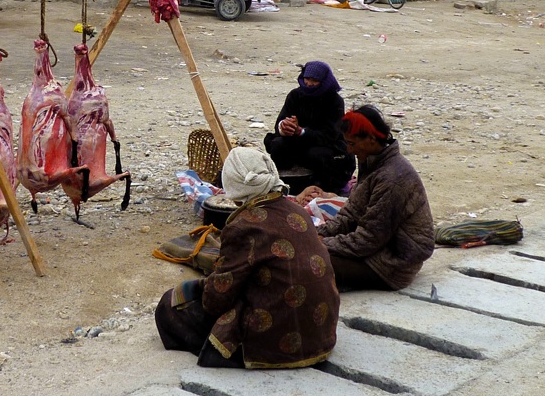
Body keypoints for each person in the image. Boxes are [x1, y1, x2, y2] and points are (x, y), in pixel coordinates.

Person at [154, 147, 340, 369]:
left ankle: (237, 352)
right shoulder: (297, 211)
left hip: (278, 339)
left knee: (169, 306)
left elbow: (216, 300)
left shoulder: (243, 226)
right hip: (321, 334)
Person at [305, 105, 434, 291]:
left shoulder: (392, 178)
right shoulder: (373, 163)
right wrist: (317, 233)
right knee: (304, 248)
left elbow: (368, 239)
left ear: (371, 139)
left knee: (306, 261)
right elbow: (350, 214)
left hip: (390, 265)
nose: (349, 150)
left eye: (352, 144)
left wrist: (322, 243)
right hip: (375, 249)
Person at [263, 61, 355, 194]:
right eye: (307, 79)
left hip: (324, 144)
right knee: (277, 145)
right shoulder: (295, 95)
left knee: (317, 155)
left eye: (314, 80)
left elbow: (330, 135)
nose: (309, 84)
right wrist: (285, 127)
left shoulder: (334, 101)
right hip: (297, 142)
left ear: (324, 81)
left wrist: (302, 132)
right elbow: (281, 121)